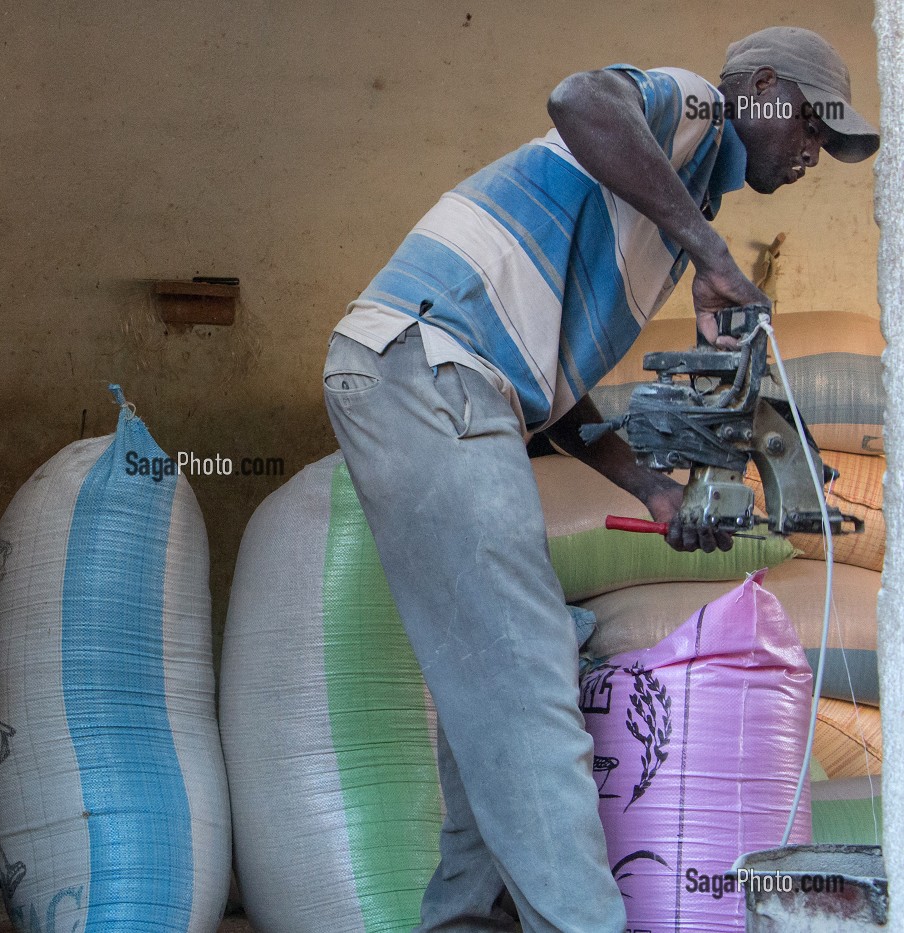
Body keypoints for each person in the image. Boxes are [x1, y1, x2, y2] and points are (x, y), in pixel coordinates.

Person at [322, 26, 877, 932]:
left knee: (492, 686)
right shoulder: (692, 110)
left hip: (442, 375)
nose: (812, 149)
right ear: (764, 86)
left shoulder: (669, 207)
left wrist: (652, 488)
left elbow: (554, 389)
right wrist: (710, 251)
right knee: (531, 676)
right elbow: (578, 97)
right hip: (430, 361)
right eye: (811, 121)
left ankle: (465, 919)